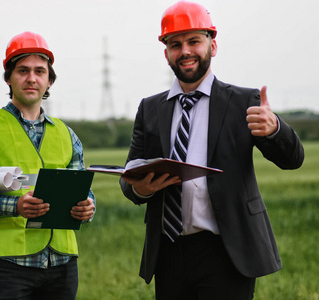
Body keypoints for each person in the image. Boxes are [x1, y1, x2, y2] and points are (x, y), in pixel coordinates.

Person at [119, 2, 304, 299]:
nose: (185, 51)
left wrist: (275, 130)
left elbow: (293, 160)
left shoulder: (244, 101)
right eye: (175, 44)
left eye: (194, 41)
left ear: (212, 46)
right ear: (166, 52)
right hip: (168, 253)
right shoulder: (150, 108)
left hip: (227, 252)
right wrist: (140, 189)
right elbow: (129, 177)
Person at [0, 31, 95, 300]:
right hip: (10, 266)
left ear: (49, 80)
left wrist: (88, 207)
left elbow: (84, 190)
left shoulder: (68, 134)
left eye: (40, 71)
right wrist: (15, 206)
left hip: (63, 264)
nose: (32, 78)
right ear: (9, 77)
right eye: (23, 70)